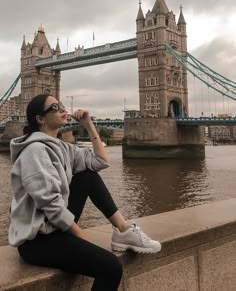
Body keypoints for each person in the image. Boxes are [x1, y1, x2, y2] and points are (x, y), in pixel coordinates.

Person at [8, 94, 161, 291]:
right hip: (37, 241)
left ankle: (123, 230)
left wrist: (88, 125)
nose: (63, 109)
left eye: (62, 104)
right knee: (111, 267)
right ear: (40, 119)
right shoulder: (34, 151)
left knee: (88, 174)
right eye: (55, 107)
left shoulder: (62, 147)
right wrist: (84, 239)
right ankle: (120, 232)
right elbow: (51, 205)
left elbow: (100, 162)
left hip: (53, 228)